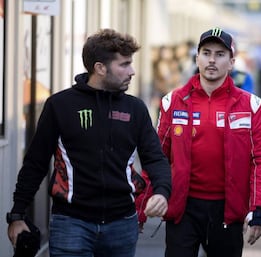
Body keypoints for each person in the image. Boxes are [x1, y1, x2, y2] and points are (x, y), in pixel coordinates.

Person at [6, 28, 171, 257]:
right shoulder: (60, 105)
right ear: (100, 68)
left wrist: (162, 192)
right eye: (124, 64)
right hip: (71, 223)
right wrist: (17, 214)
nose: (132, 71)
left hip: (122, 223)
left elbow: (155, 157)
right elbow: (36, 163)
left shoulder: (135, 109)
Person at [156, 27, 261, 257]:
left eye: (220, 54)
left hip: (227, 212)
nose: (212, 60)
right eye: (206, 52)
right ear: (197, 57)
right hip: (183, 209)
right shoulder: (173, 101)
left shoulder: (251, 105)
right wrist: (144, 203)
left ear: (231, 62)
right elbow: (158, 156)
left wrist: (258, 208)